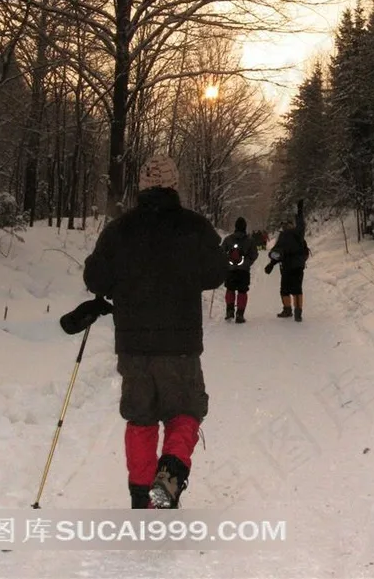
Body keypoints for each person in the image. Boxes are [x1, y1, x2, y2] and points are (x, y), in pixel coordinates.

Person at [81, 155, 228, 509]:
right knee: (186, 411)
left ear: (142, 186)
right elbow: (216, 274)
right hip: (180, 344)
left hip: (133, 345)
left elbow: (95, 279)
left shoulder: (120, 229)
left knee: (140, 417)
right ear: (173, 185)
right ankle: (168, 480)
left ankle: (140, 496)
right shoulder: (194, 227)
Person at [265, 201, 310, 322]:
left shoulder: (283, 237)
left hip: (286, 267)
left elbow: (276, 253)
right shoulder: (298, 234)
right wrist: (299, 212)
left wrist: (271, 264)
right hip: (298, 266)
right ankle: (298, 312)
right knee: (297, 289)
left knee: (284, 289)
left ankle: (287, 309)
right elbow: (301, 224)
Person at [221, 217, 259, 323]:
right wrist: (247, 263)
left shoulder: (228, 239)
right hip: (244, 271)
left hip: (230, 270)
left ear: (235, 227)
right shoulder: (250, 240)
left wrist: (226, 263)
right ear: (245, 227)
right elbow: (254, 255)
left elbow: (221, 253)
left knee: (230, 290)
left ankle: (229, 311)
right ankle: (240, 314)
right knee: (242, 291)